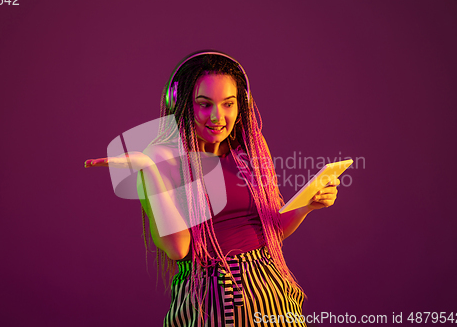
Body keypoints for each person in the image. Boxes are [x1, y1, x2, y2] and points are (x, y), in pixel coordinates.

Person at [85, 51, 340, 327]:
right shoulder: (161, 158)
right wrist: (148, 171)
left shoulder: (250, 149)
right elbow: (177, 248)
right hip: (212, 300)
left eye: (228, 104)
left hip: (273, 293)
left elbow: (270, 231)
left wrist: (306, 205)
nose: (218, 116)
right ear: (181, 104)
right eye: (204, 104)